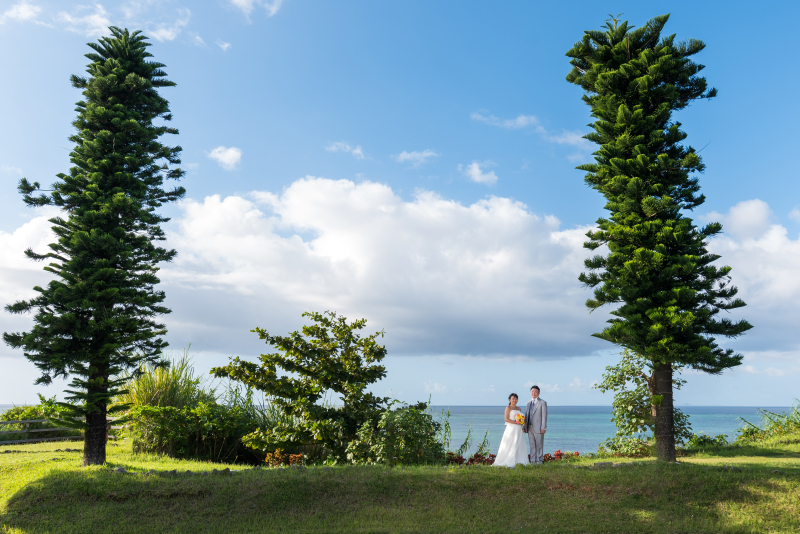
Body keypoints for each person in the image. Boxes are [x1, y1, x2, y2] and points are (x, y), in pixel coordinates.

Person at [493, 393, 529, 468]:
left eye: (516, 399)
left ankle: (518, 460)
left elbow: (522, 419)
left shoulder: (519, 409)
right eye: (513, 399)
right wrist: (516, 423)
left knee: (519, 443)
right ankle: (509, 460)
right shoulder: (508, 408)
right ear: (509, 400)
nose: (514, 400)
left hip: (519, 429)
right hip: (511, 428)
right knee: (510, 443)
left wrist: (522, 423)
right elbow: (506, 419)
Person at [522, 385, 547, 464]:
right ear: (530, 392)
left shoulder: (542, 402)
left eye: (535, 392)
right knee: (532, 444)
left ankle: (540, 460)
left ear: (539, 393)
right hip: (529, 427)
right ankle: (533, 461)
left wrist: (543, 427)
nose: (534, 393)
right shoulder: (528, 403)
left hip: (539, 427)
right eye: (532, 391)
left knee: (539, 445)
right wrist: (525, 427)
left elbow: (544, 416)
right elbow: (527, 415)